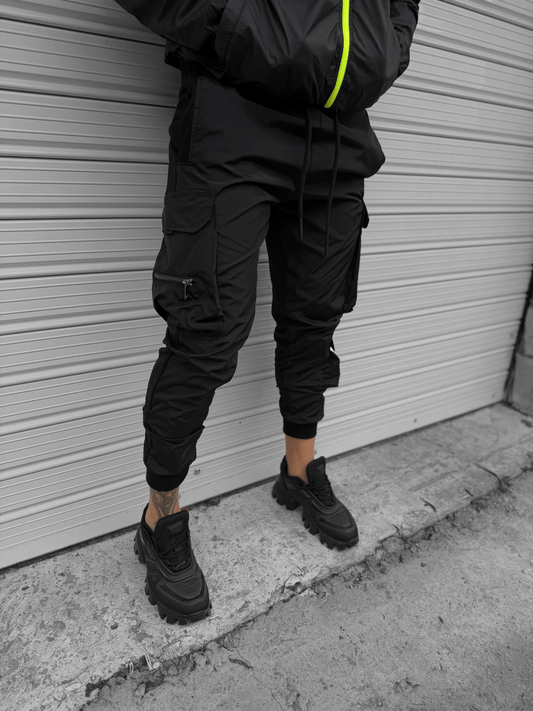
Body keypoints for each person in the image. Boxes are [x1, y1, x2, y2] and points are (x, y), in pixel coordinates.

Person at [115, 0, 420, 624]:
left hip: (340, 131)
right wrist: (237, 25)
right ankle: (159, 515)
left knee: (315, 318)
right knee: (207, 330)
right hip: (234, 114)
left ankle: (299, 471)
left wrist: (384, 50)